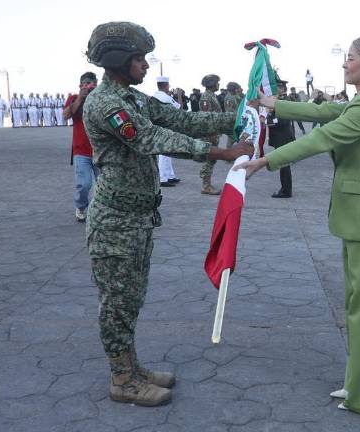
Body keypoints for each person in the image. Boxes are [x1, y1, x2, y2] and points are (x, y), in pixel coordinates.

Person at [82, 21, 253, 406]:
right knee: (117, 301)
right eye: (139, 58)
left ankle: (132, 367)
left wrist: (239, 116)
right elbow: (151, 138)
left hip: (137, 217)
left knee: (132, 296)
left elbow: (181, 120)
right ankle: (122, 379)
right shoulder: (107, 103)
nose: (145, 65)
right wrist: (220, 153)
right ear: (118, 60)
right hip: (115, 220)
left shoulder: (133, 98)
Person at [236, 35, 360, 416]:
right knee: (356, 304)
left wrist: (266, 160)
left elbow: (323, 138)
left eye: (351, 59)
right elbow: (319, 114)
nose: (345, 65)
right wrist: (269, 101)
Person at [64, 72, 100, 223]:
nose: (89, 86)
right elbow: (66, 115)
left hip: (101, 151)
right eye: (86, 83)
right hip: (81, 151)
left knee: (104, 184)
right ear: (80, 85)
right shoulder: (73, 99)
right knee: (84, 184)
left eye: (92, 83)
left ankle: (99, 210)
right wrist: (80, 97)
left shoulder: (101, 99)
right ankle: (81, 207)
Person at [266, 77, 296, 198]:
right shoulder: (278, 100)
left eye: (278, 87)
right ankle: (285, 188)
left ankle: (286, 190)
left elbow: (283, 120)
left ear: (283, 89)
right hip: (280, 136)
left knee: (284, 164)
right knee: (283, 164)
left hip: (283, 136)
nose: (275, 89)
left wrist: (269, 121)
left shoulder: (285, 101)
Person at [153, 76, 181, 187]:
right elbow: (179, 108)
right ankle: (162, 178)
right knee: (164, 154)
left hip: (158, 127)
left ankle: (169, 175)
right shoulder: (167, 98)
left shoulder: (155, 96)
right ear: (166, 85)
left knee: (166, 153)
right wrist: (178, 95)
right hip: (165, 128)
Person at [199, 74, 223, 195]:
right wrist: (211, 134)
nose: (219, 84)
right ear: (212, 83)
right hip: (209, 134)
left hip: (214, 132)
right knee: (209, 158)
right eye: (217, 82)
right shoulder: (206, 97)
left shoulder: (212, 95)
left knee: (212, 159)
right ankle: (206, 186)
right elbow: (206, 117)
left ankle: (208, 184)